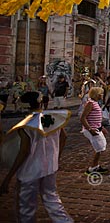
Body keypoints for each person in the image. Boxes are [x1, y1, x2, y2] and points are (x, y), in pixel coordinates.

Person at [0, 91, 73, 222]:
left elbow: (24, 151)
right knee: (52, 199)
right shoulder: (53, 118)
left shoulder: (26, 125)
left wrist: (9, 176)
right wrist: (56, 157)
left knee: (26, 206)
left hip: (30, 170)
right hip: (50, 167)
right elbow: (64, 137)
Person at [80, 87, 109, 175]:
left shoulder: (95, 103)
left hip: (97, 128)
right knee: (99, 148)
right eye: (101, 94)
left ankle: (95, 166)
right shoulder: (90, 103)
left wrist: (101, 127)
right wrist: (89, 129)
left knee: (101, 147)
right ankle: (92, 168)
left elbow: (96, 118)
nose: (102, 95)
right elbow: (83, 117)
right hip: (91, 129)